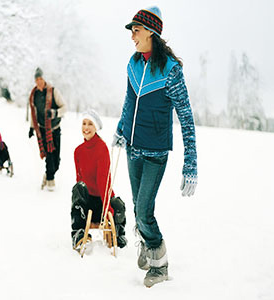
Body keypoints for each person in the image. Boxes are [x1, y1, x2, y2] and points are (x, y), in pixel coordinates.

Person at [112, 6, 198, 287]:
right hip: (133, 149)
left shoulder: (171, 71)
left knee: (144, 211)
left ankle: (159, 264)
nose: (132, 36)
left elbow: (186, 118)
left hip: (155, 153)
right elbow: (128, 100)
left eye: (136, 30)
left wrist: (190, 164)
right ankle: (147, 247)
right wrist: (121, 130)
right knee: (138, 207)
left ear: (151, 31)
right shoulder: (133, 64)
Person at [71, 110, 127, 251]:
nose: (86, 127)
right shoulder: (78, 151)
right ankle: (78, 233)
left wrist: (107, 207)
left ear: (96, 127)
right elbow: (80, 180)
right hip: (87, 202)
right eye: (84, 123)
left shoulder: (102, 149)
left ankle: (118, 234)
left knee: (119, 204)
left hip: (103, 201)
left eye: (90, 124)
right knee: (78, 188)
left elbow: (103, 181)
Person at [28, 67, 66, 191]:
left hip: (55, 128)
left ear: (44, 79)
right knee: (49, 155)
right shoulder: (34, 95)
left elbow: (64, 107)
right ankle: (50, 181)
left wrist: (55, 113)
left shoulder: (53, 91)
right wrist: (31, 128)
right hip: (43, 129)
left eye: (41, 78)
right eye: (37, 79)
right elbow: (32, 111)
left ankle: (48, 175)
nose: (39, 81)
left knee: (56, 160)